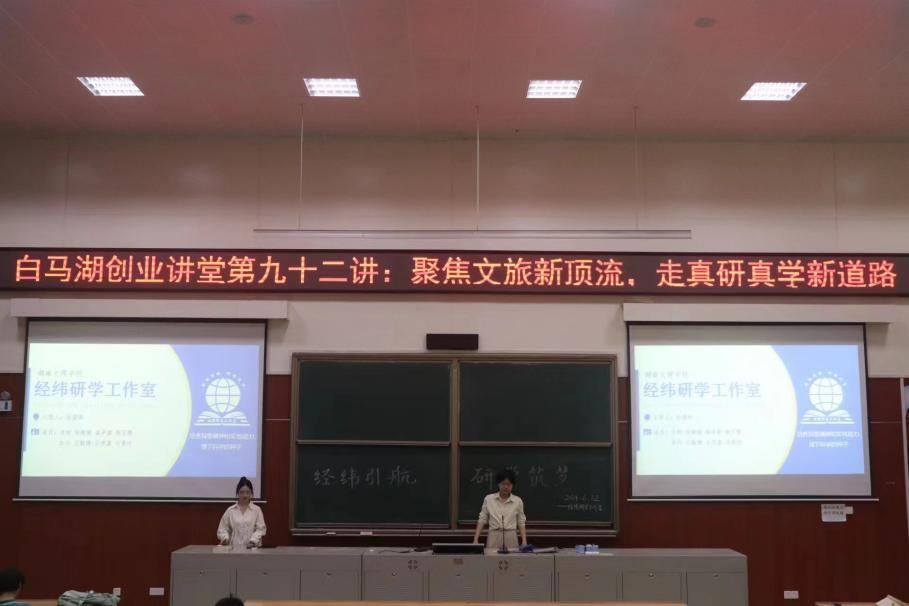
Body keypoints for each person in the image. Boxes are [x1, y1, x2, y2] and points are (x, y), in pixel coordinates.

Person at [472, 469, 527, 550]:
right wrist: (475, 539)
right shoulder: (489, 499)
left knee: (512, 557)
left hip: (511, 535)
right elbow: (482, 519)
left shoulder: (518, 501)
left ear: (512, 485)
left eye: (509, 484)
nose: (506, 487)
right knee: (492, 557)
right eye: (503, 484)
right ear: (498, 484)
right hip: (494, 535)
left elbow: (521, 522)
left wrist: (524, 541)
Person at [217, 477, 266, 549]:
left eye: (247, 492)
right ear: (238, 493)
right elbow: (222, 528)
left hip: (252, 549)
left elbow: (260, 529)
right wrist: (225, 538)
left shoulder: (257, 510)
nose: (245, 495)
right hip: (233, 549)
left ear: (251, 494)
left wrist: (253, 541)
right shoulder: (230, 510)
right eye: (242, 492)